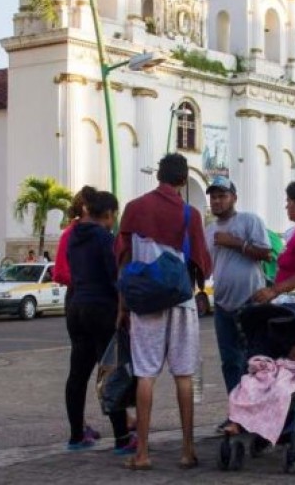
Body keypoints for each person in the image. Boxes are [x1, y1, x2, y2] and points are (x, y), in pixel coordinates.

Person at [115, 154, 212, 471]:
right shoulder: (189, 214)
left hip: (145, 302)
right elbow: (202, 265)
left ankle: (142, 453)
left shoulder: (134, 208)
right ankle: (187, 450)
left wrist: (124, 303)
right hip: (180, 301)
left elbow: (122, 257)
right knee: (184, 375)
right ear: (183, 181)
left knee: (145, 375)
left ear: (158, 176)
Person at [64, 189, 135, 455]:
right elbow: (113, 276)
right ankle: (122, 438)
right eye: (112, 216)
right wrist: (125, 307)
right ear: (107, 214)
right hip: (102, 310)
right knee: (112, 373)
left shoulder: (72, 237)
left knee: (77, 375)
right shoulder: (105, 239)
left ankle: (76, 435)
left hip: (76, 307)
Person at [204, 176, 271, 428]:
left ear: (234, 197)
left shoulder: (249, 220)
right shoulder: (209, 230)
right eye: (213, 197)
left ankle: (257, 413)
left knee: (254, 361)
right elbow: (207, 266)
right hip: (222, 305)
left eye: (222, 196)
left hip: (251, 303)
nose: (217, 201)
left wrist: (236, 243)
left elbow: (265, 253)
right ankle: (237, 414)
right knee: (230, 362)